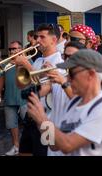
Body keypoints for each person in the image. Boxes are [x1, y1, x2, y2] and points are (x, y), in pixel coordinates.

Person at [26, 49, 102, 156]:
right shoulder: (74, 103)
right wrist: (38, 119)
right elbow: (53, 145)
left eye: (72, 73)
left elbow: (68, 145)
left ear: (91, 74)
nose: (68, 79)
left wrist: (43, 119)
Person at [14, 23, 64, 156]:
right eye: (37, 37)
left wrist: (27, 65)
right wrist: (19, 67)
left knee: (46, 153)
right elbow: (21, 86)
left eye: (42, 37)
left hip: (48, 121)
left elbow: (45, 87)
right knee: (24, 153)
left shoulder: (59, 62)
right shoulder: (38, 61)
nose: (37, 41)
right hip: (31, 118)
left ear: (54, 40)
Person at [0, 41, 28, 156]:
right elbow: (1, 79)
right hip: (9, 98)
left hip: (24, 98)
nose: (12, 51)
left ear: (21, 49)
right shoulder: (5, 64)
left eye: (15, 49)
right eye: (10, 49)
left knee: (29, 125)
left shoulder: (27, 60)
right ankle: (16, 146)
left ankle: (29, 147)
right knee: (12, 125)